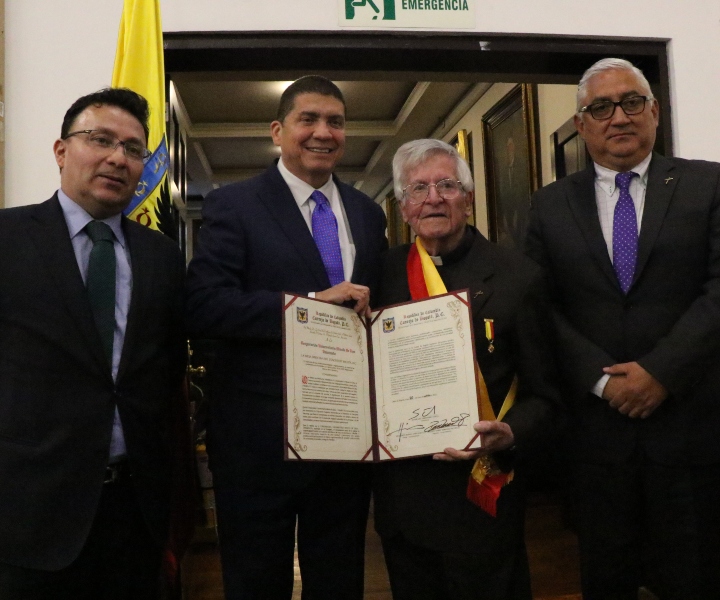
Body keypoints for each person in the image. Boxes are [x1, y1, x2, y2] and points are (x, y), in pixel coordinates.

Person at [185, 75, 387, 599]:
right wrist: (308, 308)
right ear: (278, 130)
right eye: (309, 119)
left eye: (336, 122)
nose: (324, 132)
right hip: (257, 446)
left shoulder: (368, 214)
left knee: (340, 582)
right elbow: (205, 305)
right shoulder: (235, 205)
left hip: (344, 445)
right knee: (256, 585)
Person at [525, 57, 720, 599]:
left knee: (697, 575)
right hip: (596, 437)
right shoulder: (548, 206)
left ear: (655, 113)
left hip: (690, 432)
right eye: (601, 107)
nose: (619, 117)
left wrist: (661, 373)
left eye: (633, 102)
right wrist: (602, 380)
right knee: (605, 578)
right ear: (583, 123)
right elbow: (540, 307)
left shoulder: (709, 185)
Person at [0, 88, 187, 599]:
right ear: (61, 151)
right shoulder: (9, 238)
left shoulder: (162, 256)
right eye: (99, 139)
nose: (116, 158)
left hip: (134, 509)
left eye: (132, 149)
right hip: (29, 512)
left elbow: (166, 374)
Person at [373, 139, 559, 600]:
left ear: (469, 198)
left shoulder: (518, 275)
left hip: (483, 497)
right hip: (406, 500)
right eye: (418, 188)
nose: (433, 197)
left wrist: (510, 433)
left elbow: (547, 395)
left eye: (447, 185)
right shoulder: (380, 275)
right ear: (403, 207)